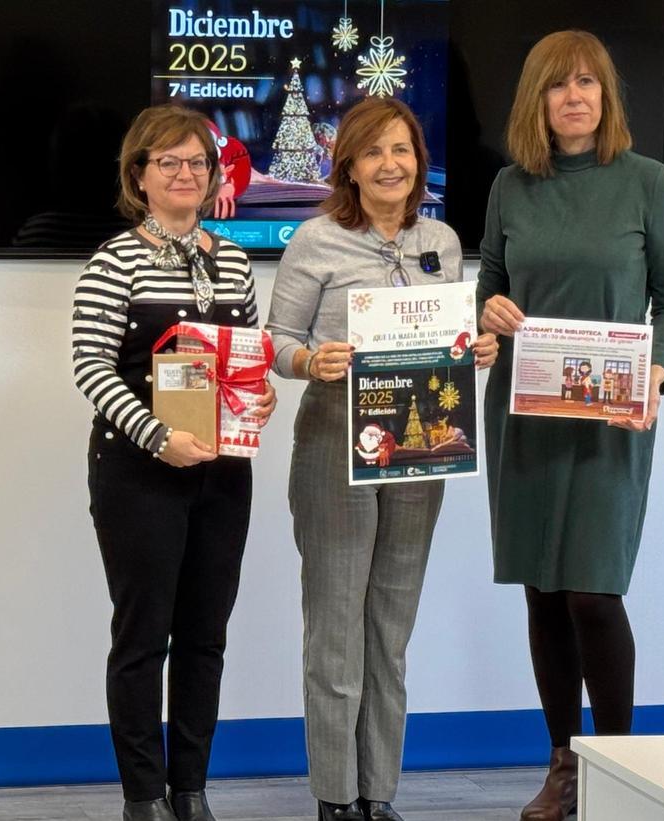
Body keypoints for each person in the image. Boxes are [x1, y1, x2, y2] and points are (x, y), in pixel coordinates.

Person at [476, 30, 664, 821]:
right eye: (558, 85)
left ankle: (621, 769)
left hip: (611, 418)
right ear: (536, 101)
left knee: (593, 594)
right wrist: (486, 314)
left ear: (607, 97)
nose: (575, 97)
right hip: (524, 418)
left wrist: (659, 369)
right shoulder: (509, 187)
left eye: (589, 84)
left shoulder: (646, 183)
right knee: (543, 591)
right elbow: (488, 294)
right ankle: (564, 766)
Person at [266, 97, 498, 821]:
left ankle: (379, 793)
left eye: (401, 150)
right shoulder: (316, 239)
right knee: (336, 627)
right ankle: (335, 798)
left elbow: (448, 344)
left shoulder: (445, 240)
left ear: (418, 162)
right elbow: (275, 341)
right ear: (350, 166)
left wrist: (478, 353)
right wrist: (312, 358)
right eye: (374, 153)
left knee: (389, 630)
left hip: (422, 449)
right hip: (336, 440)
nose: (390, 165)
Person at [71, 104, 277, 821]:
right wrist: (159, 436)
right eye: (170, 163)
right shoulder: (114, 259)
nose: (186, 174)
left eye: (198, 163)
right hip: (138, 471)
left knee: (204, 635)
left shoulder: (235, 260)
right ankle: (143, 798)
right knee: (141, 635)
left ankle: (191, 790)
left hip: (223, 472)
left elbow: (244, 360)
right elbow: (91, 367)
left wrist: (259, 397)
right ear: (140, 175)